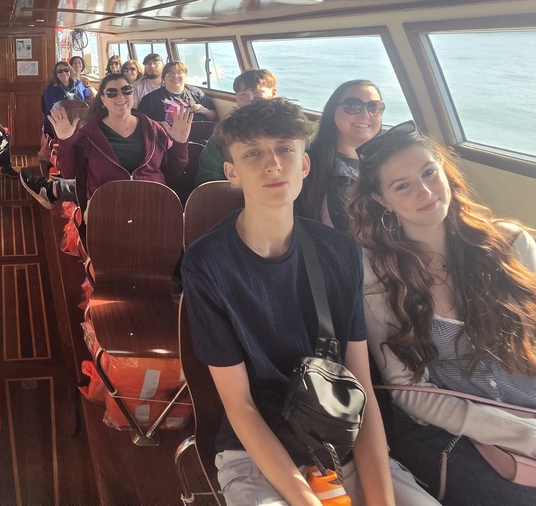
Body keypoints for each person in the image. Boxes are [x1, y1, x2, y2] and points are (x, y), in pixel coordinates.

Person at [180, 99, 438, 506]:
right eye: (253, 153)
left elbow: (360, 383)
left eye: (285, 149)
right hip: (257, 451)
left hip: (338, 432)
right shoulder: (207, 263)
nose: (272, 164)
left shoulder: (340, 252)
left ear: (304, 164)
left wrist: (381, 498)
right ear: (232, 173)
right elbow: (240, 404)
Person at [348, 122, 536, 505]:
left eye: (429, 173)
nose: (426, 192)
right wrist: (522, 435)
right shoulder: (378, 279)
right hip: (465, 433)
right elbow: (409, 393)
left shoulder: (512, 243)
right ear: (382, 200)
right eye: (403, 186)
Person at [47, 72, 193, 205]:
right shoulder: (89, 134)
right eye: (112, 92)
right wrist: (65, 141)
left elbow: (174, 173)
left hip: (152, 201)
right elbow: (70, 173)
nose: (120, 96)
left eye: (126, 90)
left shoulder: (154, 129)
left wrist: (180, 144)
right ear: (103, 100)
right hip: (107, 204)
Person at [298, 80, 384, 235]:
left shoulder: (388, 164)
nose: (365, 114)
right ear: (332, 111)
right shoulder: (307, 166)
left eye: (374, 107)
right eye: (353, 106)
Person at [195, 69, 278, 186]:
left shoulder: (289, 129)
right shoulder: (224, 134)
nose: (250, 100)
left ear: (273, 93)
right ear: (236, 98)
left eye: (258, 93)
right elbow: (209, 181)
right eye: (243, 95)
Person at [137, 60, 217, 127]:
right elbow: (143, 126)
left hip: (198, 140)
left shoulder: (197, 93)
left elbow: (214, 116)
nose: (175, 76)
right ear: (163, 78)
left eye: (180, 72)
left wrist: (206, 111)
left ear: (186, 76)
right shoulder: (149, 100)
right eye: (170, 73)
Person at [41, 61, 84, 138]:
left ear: (70, 71)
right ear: (56, 74)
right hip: (59, 121)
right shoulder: (51, 89)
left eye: (66, 70)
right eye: (60, 71)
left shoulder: (78, 84)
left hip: (78, 119)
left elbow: (84, 100)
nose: (63, 73)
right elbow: (51, 109)